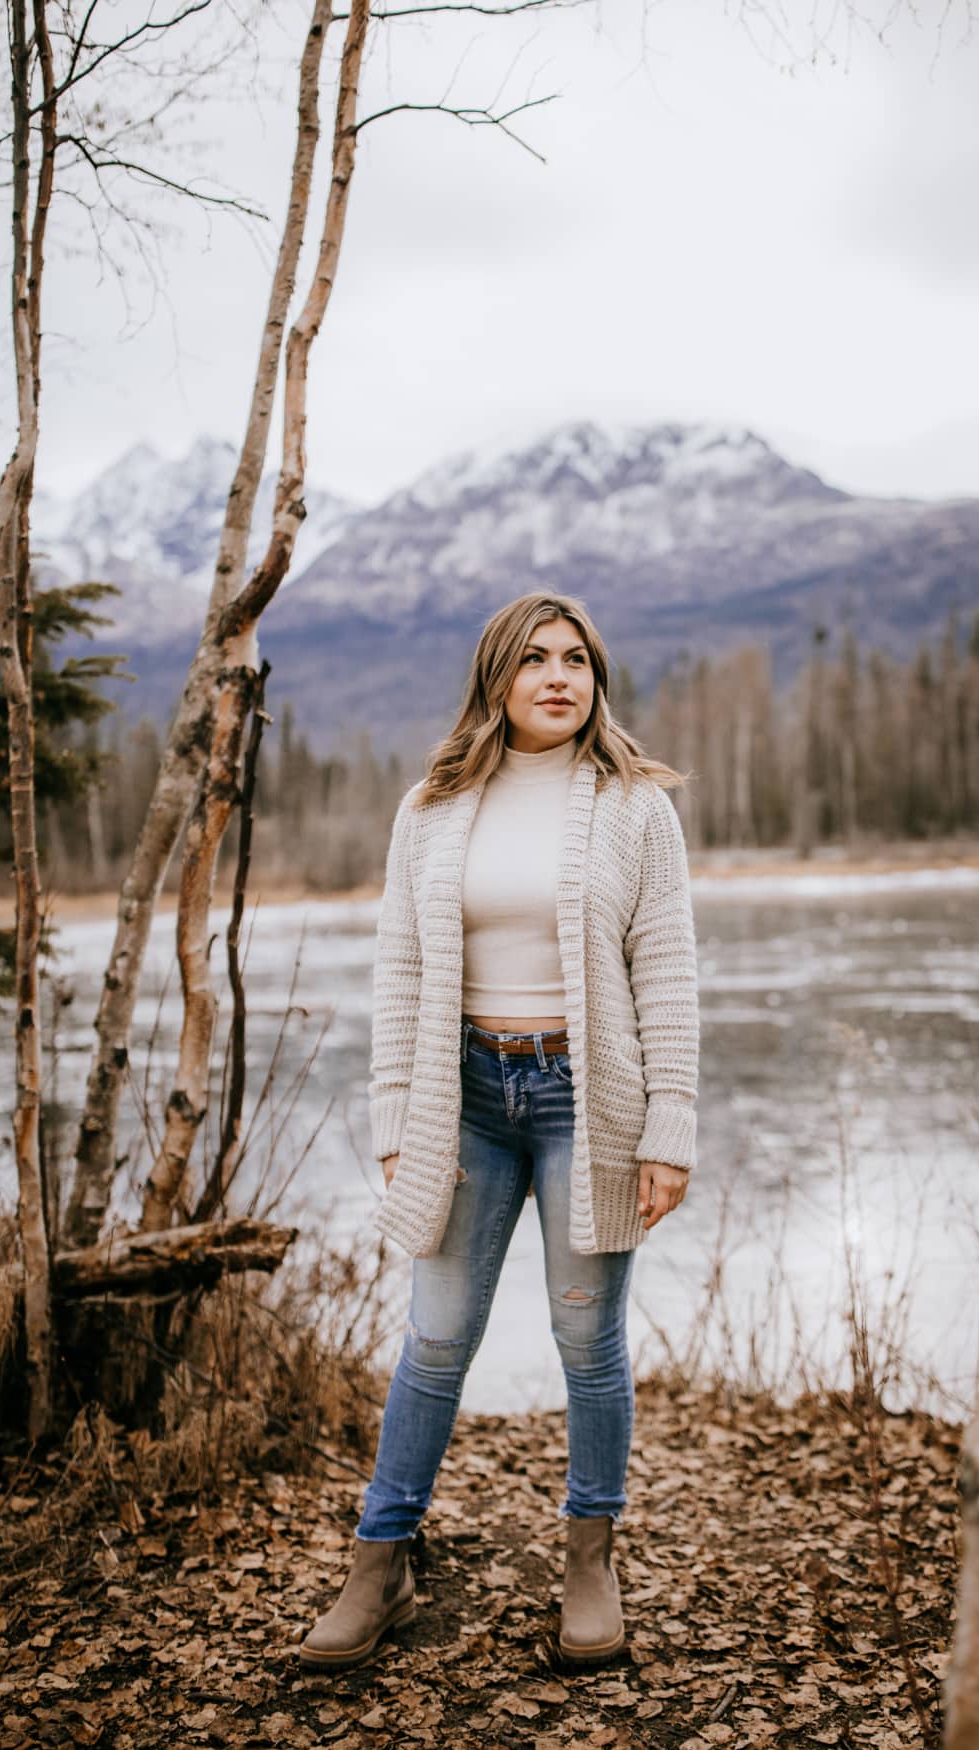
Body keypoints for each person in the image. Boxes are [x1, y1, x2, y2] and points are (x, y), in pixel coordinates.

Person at [300, 591, 700, 1672]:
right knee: (434, 1338)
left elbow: (664, 970)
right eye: (535, 660)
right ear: (496, 679)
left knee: (586, 1342)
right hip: (462, 1097)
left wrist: (670, 1124)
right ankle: (378, 1567)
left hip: (589, 1101)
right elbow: (401, 970)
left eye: (577, 659)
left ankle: (589, 1558)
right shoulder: (430, 806)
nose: (559, 677)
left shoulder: (633, 807)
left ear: (596, 679)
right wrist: (395, 1119)